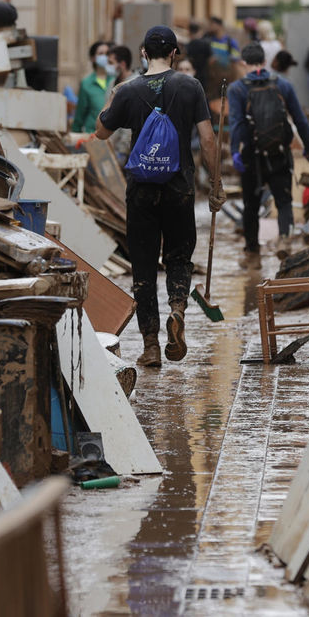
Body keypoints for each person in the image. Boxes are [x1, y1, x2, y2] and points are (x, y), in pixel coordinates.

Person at [96, 26, 225, 367]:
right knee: (179, 257)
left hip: (141, 191)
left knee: (142, 266)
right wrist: (216, 183)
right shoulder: (190, 87)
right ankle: (178, 309)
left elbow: (101, 131)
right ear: (174, 53)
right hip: (179, 187)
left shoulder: (128, 90)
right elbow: (208, 141)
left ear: (142, 53)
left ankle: (151, 346)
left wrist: (112, 98)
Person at [228, 43, 309, 259]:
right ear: (265, 63)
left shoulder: (237, 89)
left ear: (243, 64)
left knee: (251, 205)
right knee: (284, 202)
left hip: (251, 156)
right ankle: (284, 239)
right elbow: (300, 120)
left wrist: (235, 152)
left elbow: (237, 124)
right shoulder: (283, 85)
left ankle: (253, 254)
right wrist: (308, 148)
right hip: (279, 154)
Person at [71, 41, 112, 134]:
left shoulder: (115, 81)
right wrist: (75, 134)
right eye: (101, 53)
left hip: (112, 136)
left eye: (107, 53)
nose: (105, 57)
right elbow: (80, 113)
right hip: (93, 134)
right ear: (93, 58)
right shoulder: (86, 83)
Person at [186, 21, 213, 90]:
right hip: (204, 74)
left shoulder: (189, 45)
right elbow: (211, 59)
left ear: (189, 32)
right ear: (199, 31)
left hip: (191, 73)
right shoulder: (205, 44)